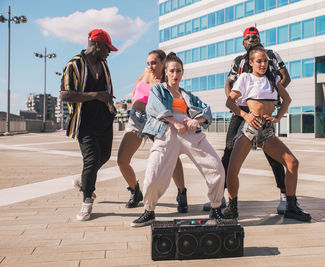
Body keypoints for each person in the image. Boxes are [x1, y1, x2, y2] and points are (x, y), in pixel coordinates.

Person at [131, 52, 225, 227]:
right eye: (172, 71)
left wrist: (196, 120)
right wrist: (174, 121)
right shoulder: (158, 89)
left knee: (216, 167)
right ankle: (149, 211)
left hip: (189, 132)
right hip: (167, 131)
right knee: (153, 176)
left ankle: (216, 208)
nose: (175, 75)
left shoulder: (188, 95)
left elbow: (207, 111)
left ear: (182, 73)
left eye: (178, 71)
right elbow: (153, 107)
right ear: (166, 72)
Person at [203, 26, 290, 215]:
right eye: (248, 38)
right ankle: (221, 196)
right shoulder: (239, 61)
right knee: (228, 150)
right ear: (243, 42)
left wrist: (272, 94)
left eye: (255, 37)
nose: (252, 40)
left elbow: (285, 77)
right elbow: (229, 82)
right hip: (242, 109)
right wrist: (236, 100)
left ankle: (284, 195)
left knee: (272, 153)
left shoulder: (271, 55)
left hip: (263, 110)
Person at [223, 45, 311, 222]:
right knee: (232, 170)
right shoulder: (245, 78)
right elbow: (230, 102)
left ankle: (291, 206)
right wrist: (245, 115)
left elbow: (287, 99)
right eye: (259, 61)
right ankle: (232, 208)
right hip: (249, 128)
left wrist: (278, 117)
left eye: (265, 61)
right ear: (251, 62)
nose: (263, 64)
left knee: (292, 163)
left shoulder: (273, 79)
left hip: (266, 130)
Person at [117, 49, 188, 213]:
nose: (150, 66)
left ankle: (182, 193)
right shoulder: (146, 72)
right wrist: (135, 99)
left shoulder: (168, 80)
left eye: (154, 63)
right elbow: (138, 85)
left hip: (157, 122)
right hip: (137, 119)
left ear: (164, 63)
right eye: (148, 63)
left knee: (172, 157)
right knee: (122, 159)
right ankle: (135, 191)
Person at [60, 29, 117, 221]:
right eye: (108, 48)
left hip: (104, 120)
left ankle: (84, 179)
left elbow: (107, 89)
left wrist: (109, 104)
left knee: (106, 155)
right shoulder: (74, 64)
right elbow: (64, 94)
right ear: (98, 46)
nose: (110, 52)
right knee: (91, 161)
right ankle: (87, 201)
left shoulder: (104, 64)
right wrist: (96, 95)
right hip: (85, 122)